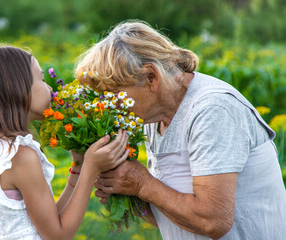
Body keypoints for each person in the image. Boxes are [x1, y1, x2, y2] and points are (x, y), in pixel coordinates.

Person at [74, 20, 286, 239]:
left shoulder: (212, 109)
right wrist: (124, 188)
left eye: (114, 93)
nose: (110, 105)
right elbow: (170, 213)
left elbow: (213, 221)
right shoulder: (154, 118)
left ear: (151, 77)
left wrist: (141, 183)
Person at [0, 45, 130, 239]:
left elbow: (48, 222)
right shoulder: (20, 156)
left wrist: (78, 168)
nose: (49, 88)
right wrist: (91, 168)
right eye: (42, 79)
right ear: (18, 88)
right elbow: (58, 236)